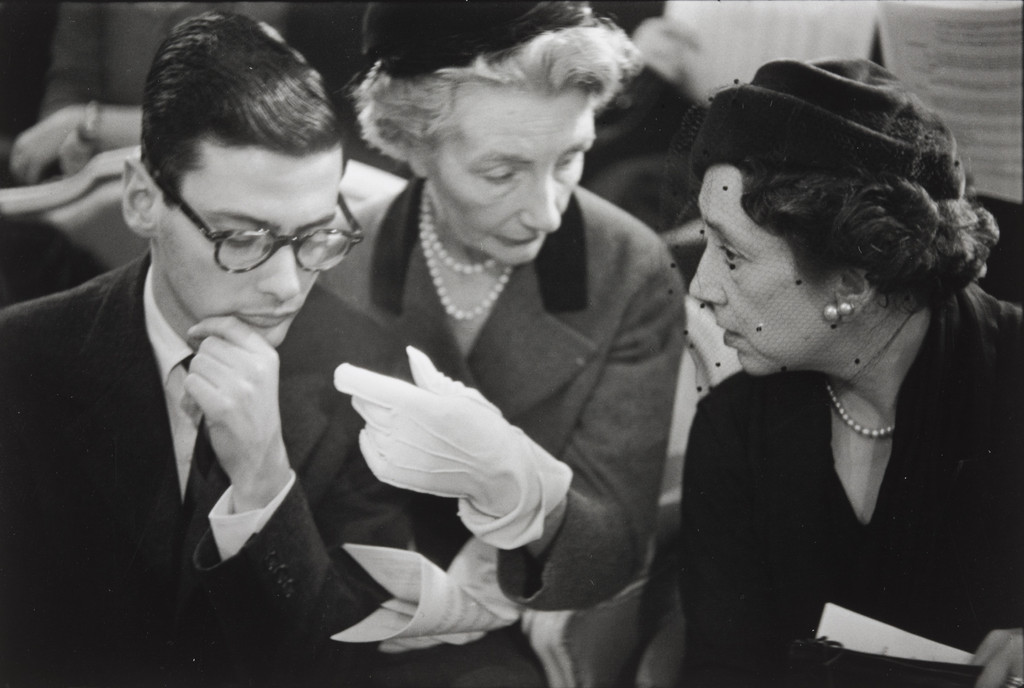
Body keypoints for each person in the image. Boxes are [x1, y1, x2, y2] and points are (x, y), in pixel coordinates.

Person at [0, 12, 412, 687]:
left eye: (316, 237)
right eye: (243, 239)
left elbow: (353, 670)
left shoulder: (368, 378)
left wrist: (264, 483)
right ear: (142, 201)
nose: (286, 287)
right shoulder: (20, 361)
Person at [326, 2, 686, 685]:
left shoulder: (631, 270)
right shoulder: (336, 261)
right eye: (501, 174)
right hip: (354, 609)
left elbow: (612, 545)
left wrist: (527, 492)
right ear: (414, 143)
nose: (548, 211)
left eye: (571, 158)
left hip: (522, 635)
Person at [675, 58, 1023, 688]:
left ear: (855, 281)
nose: (702, 288)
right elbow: (723, 669)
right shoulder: (735, 428)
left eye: (731, 254)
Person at [7, 2, 286, 185]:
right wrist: (74, 134)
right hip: (106, 188)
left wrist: (91, 124)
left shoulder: (257, 8)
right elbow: (60, 110)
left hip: (212, 184)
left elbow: (229, 126)